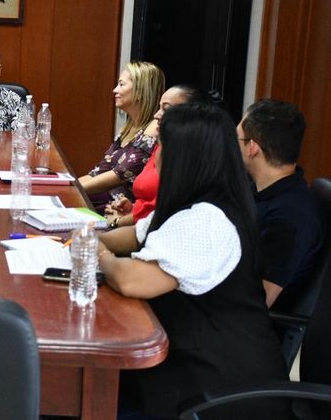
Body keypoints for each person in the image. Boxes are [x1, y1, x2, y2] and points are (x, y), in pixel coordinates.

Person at [98, 103, 287, 419]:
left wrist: (95, 253)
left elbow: (133, 280)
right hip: (187, 360)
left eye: (162, 147)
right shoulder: (194, 203)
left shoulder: (208, 221)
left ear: (185, 157)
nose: (154, 157)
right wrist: (90, 236)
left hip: (215, 388)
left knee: (95, 393)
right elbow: (135, 236)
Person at [238, 99, 325, 309]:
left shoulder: (289, 217)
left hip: (250, 328)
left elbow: (258, 301)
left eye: (237, 138)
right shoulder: (257, 189)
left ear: (252, 148)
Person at [104, 85, 221, 228]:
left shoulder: (190, 160)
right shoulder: (160, 144)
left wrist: (117, 222)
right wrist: (132, 209)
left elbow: (161, 214)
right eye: (159, 107)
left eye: (166, 109)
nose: (156, 115)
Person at [78, 61, 164, 214]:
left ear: (140, 91)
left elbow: (119, 175)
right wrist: (66, 186)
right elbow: (99, 171)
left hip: (119, 211)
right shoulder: (127, 127)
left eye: (121, 85)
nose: (115, 90)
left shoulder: (153, 129)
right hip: (100, 204)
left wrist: (73, 191)